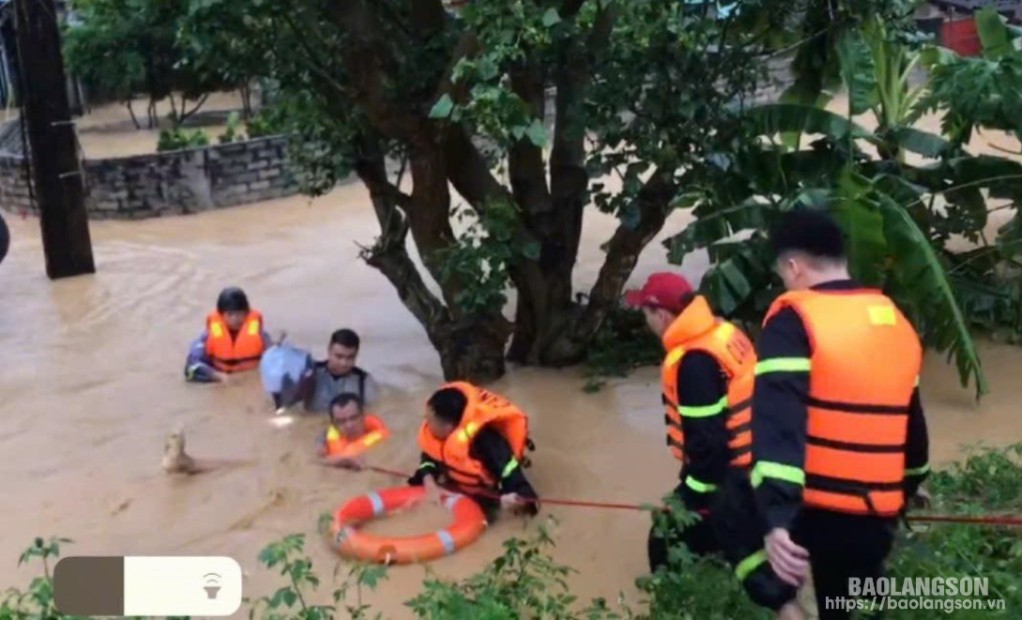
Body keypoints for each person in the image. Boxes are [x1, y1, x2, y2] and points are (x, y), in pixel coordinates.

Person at [745, 208, 930, 620]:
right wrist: (912, 481)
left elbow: (779, 423)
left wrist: (776, 518)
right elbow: (912, 423)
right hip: (878, 516)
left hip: (817, 518)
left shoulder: (794, 319)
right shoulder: (893, 319)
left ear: (793, 266)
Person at [624, 272, 756, 572]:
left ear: (661, 314)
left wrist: (687, 496)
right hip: (753, 468)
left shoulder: (695, 363)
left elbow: (709, 444)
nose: (646, 323)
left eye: (646, 313)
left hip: (728, 477)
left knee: (664, 539)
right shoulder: (720, 333)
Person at [408, 382, 538, 520]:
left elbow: (526, 494)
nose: (426, 425)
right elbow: (428, 457)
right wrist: (429, 482)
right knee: (413, 490)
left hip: (484, 496)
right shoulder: (435, 436)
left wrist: (514, 501)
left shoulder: (488, 443)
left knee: (487, 522)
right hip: (450, 483)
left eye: (430, 420)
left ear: (449, 426)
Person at [184, 287, 277, 383]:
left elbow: (274, 357)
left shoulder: (260, 334)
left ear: (247, 313)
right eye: (230, 314)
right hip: (220, 378)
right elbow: (192, 365)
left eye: (240, 314)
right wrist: (216, 376)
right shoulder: (207, 336)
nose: (235, 319)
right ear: (221, 315)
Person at [298, 329, 381, 413]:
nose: (344, 363)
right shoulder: (310, 373)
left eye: (350, 357)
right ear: (329, 351)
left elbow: (374, 411)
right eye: (339, 356)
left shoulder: (364, 381)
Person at [316, 393, 390, 470]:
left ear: (363, 416)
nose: (349, 426)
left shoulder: (381, 433)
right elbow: (318, 461)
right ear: (334, 424)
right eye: (341, 421)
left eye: (354, 418)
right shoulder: (325, 444)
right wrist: (344, 460)